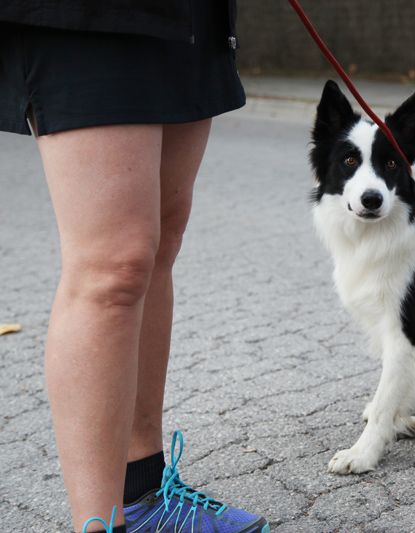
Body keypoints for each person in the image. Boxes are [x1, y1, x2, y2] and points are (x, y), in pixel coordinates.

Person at [0, 2, 268, 532]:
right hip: (85, 15)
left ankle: (144, 493)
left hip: (187, 12)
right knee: (112, 268)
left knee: (158, 246)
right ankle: (100, 524)